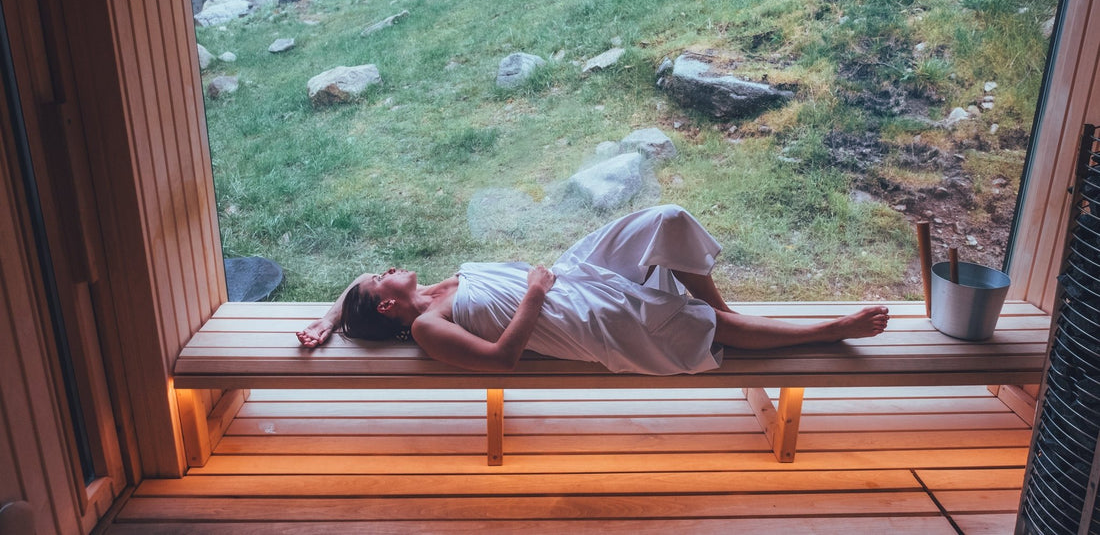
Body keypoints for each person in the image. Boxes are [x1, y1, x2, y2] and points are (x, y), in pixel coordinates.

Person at [296, 204, 889, 375]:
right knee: (709, 333)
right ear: (387, 304)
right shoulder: (427, 327)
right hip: (579, 319)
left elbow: (354, 288)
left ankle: (724, 310)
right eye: (382, 276)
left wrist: (328, 320)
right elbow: (502, 361)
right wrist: (532, 294)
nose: (387, 266)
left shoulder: (424, 292)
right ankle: (830, 329)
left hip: (570, 275)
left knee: (668, 220)